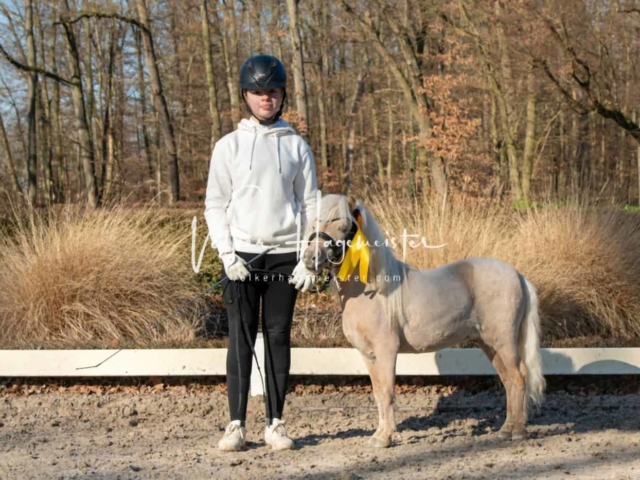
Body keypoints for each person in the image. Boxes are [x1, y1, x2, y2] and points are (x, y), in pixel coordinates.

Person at [204, 54, 318, 452]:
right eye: (257, 92)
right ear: (246, 96)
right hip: (242, 258)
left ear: (282, 94)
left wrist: (308, 257)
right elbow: (215, 204)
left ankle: (275, 423)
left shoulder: (297, 147)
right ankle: (235, 424)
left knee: (278, 335)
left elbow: (310, 206)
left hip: (286, 255)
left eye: (272, 91)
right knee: (240, 337)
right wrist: (226, 254)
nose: (265, 98)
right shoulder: (228, 146)